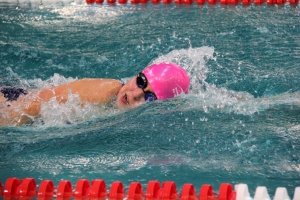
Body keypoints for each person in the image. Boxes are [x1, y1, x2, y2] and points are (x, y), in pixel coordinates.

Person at [0, 62, 190, 126]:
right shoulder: (107, 90)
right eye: (141, 81)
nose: (133, 94)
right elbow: (34, 103)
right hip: (12, 102)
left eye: (149, 97)